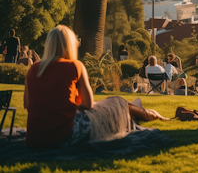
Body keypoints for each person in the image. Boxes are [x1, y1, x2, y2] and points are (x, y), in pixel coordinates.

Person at [24, 25, 167, 148]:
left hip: (35, 138)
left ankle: (149, 113)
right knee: (117, 102)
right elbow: (88, 103)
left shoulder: (34, 68)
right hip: (62, 136)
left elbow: (26, 104)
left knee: (117, 103)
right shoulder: (74, 66)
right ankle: (152, 115)